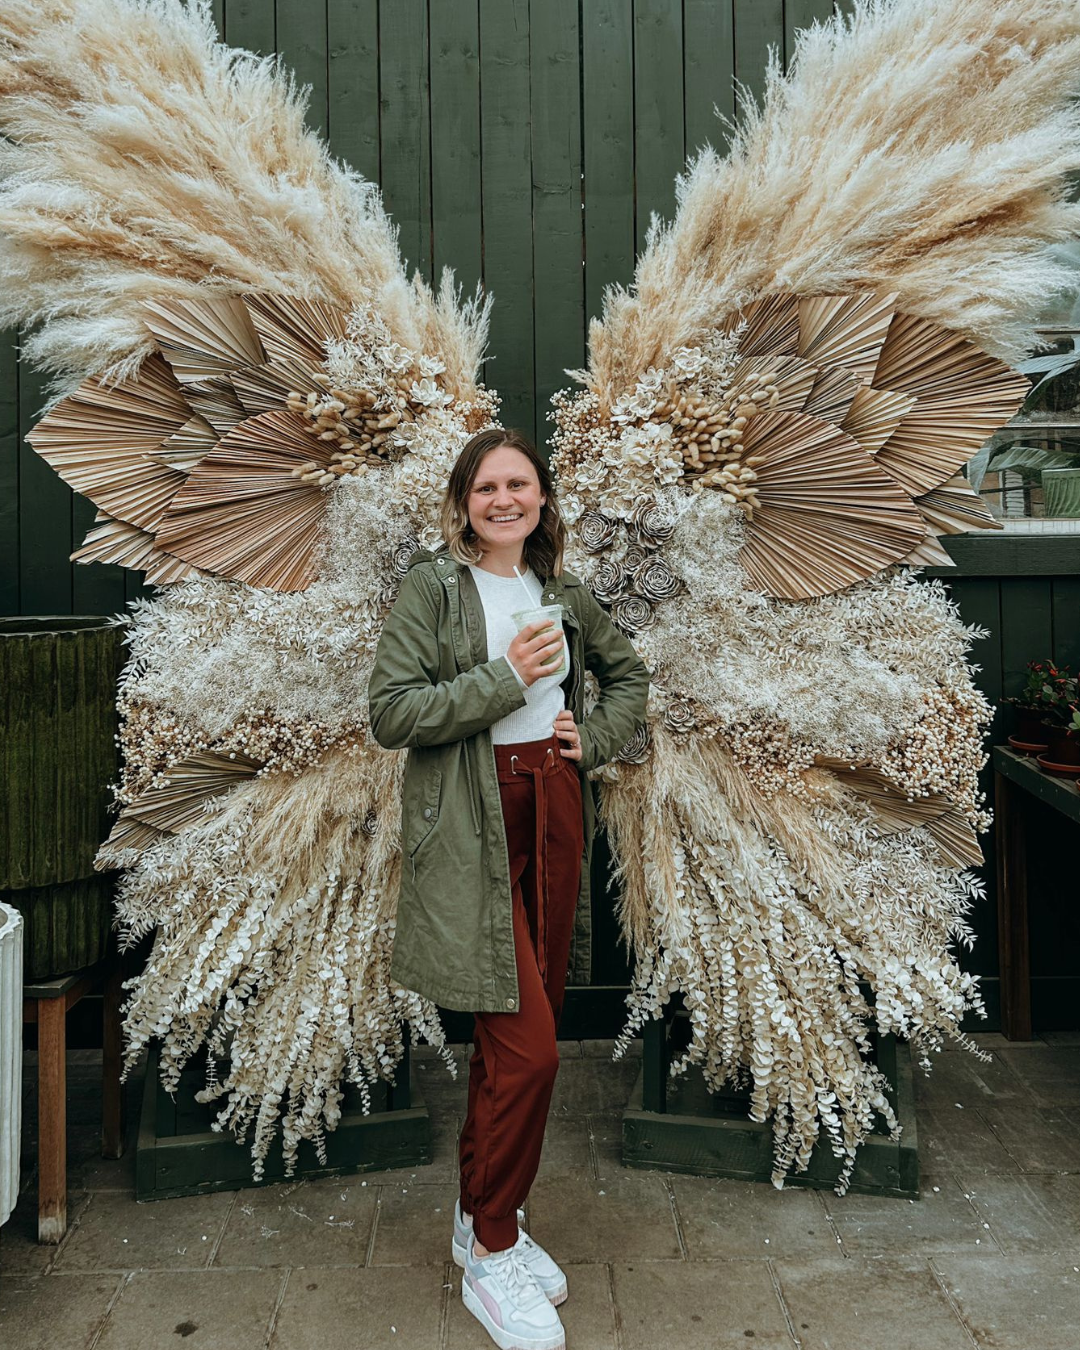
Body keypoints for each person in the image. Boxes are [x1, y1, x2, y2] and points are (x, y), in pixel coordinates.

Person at [367, 426, 650, 1350]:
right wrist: (506, 678)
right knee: (529, 1049)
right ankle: (493, 1251)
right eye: (486, 486)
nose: (503, 500)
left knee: (517, 1032)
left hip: (553, 803)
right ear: (463, 501)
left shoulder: (557, 588)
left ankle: (475, 1214)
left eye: (518, 485)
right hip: (473, 818)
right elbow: (392, 712)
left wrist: (592, 738)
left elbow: (631, 675)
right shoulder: (433, 587)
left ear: (539, 499)